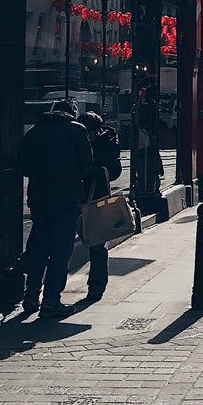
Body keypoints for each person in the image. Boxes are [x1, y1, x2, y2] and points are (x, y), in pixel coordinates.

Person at [18, 98, 93, 318]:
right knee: (60, 252)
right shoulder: (77, 130)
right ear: (72, 113)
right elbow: (86, 165)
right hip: (66, 200)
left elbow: (22, 165)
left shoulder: (34, 132)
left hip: (39, 200)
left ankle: (31, 294)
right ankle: (51, 300)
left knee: (39, 247)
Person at [79, 110, 124, 303]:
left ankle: (96, 286)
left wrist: (94, 171)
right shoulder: (80, 142)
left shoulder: (106, 144)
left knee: (97, 244)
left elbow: (114, 171)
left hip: (96, 199)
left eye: (87, 132)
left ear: (96, 132)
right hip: (74, 197)